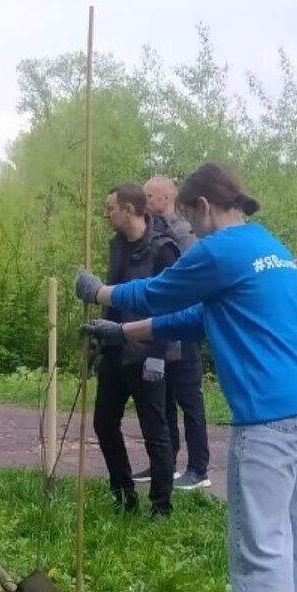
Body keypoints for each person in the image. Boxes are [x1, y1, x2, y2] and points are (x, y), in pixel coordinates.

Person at [75, 163, 297, 592]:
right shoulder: (266, 247)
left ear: (200, 207)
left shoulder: (219, 249)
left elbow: (160, 292)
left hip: (271, 413)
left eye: (184, 216)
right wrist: (122, 331)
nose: (184, 230)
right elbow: (198, 318)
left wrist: (102, 293)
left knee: (260, 545)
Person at [93, 182, 178, 516]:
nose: (106, 213)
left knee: (154, 430)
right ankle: (124, 496)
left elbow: (173, 304)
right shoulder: (117, 244)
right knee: (103, 423)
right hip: (115, 349)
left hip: (148, 353)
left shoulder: (164, 248)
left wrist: (158, 354)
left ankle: (161, 506)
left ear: (129, 210)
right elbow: (113, 298)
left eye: (110, 207)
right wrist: (98, 340)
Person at [144, 175, 210, 489]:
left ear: (165, 196)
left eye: (148, 196)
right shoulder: (151, 229)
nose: (145, 202)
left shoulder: (185, 231)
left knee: (189, 400)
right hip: (160, 328)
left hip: (184, 330)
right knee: (164, 398)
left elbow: (197, 270)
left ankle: (199, 468)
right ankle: (166, 462)